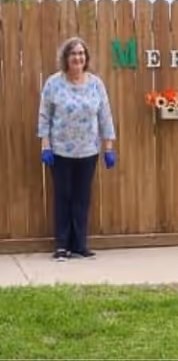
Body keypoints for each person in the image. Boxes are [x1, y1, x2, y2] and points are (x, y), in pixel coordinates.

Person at [38, 36, 116, 261]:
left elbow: (105, 116)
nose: (78, 57)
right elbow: (44, 115)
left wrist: (108, 147)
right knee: (63, 196)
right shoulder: (54, 83)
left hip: (88, 151)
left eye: (81, 53)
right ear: (66, 58)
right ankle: (62, 246)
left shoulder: (95, 83)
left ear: (86, 58)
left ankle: (80, 244)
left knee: (82, 198)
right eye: (73, 54)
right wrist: (45, 145)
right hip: (60, 151)